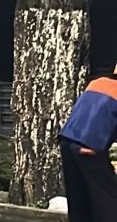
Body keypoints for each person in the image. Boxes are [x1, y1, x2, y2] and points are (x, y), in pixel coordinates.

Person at [58, 63, 117, 222]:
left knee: (80, 203)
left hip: (67, 140)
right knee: (109, 201)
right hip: (89, 147)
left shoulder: (97, 83)